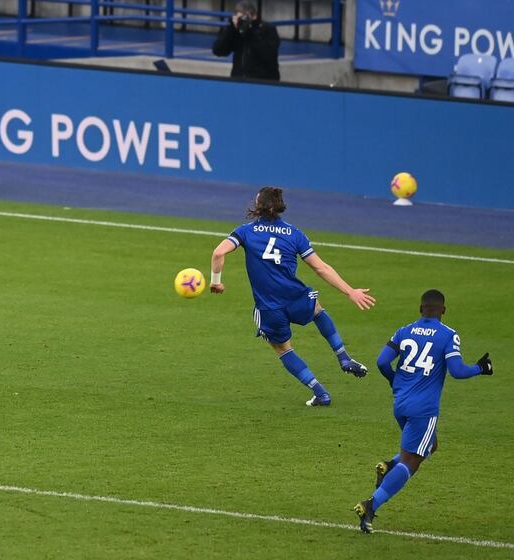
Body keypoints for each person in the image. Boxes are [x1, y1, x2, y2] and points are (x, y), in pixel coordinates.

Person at [209, 186, 375, 406]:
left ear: (258, 205)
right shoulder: (295, 234)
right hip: (296, 297)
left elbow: (218, 252)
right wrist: (350, 291)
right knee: (317, 309)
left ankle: (321, 393)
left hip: (270, 307)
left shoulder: (245, 231)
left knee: (283, 349)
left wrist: (216, 282)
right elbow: (321, 268)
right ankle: (343, 357)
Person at [354, 290, 493, 534]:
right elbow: (458, 371)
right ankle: (370, 505)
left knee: (431, 444)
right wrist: (480, 368)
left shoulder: (404, 330)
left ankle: (388, 465)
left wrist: (394, 381)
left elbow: (381, 362)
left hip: (401, 404)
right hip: (424, 409)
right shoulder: (448, 334)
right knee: (412, 462)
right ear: (443, 311)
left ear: (421, 309)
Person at [212, 0, 281, 81]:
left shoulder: (268, 29)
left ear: (254, 16)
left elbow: (269, 55)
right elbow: (218, 50)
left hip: (263, 81)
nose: (242, 21)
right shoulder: (236, 31)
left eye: (245, 18)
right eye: (240, 18)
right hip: (239, 80)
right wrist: (231, 29)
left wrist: (250, 31)